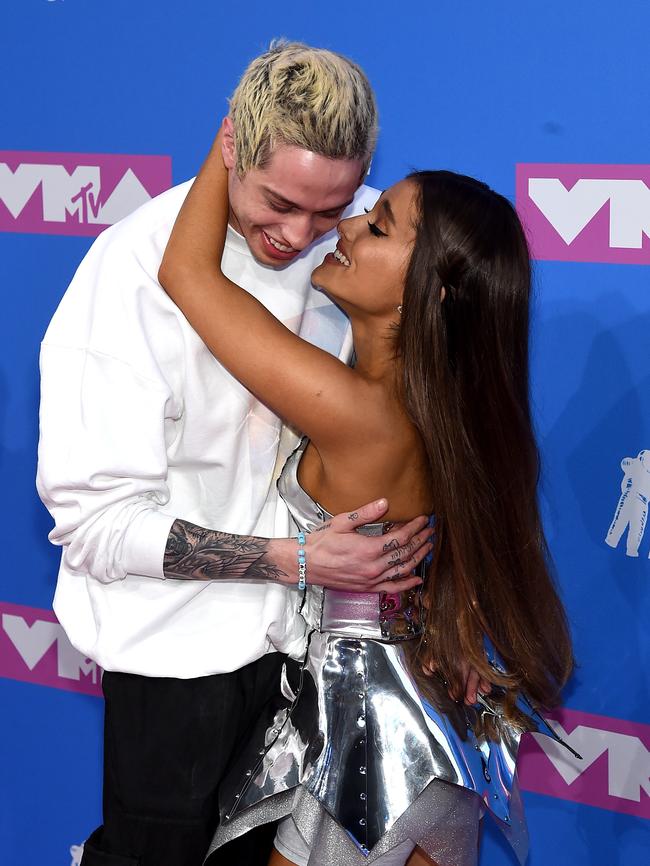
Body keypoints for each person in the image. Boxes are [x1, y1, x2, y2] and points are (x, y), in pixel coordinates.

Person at [36, 42, 434, 866]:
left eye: (332, 209)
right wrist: (298, 559)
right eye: (279, 203)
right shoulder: (134, 273)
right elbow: (100, 526)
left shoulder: (362, 244)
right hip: (175, 673)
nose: (303, 236)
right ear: (231, 150)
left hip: (303, 667)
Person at [157, 129, 577, 866]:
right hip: (423, 730)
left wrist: (236, 139)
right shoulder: (443, 412)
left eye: (378, 225)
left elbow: (186, 273)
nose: (346, 226)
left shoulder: (361, 412)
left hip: (363, 751)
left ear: (436, 290)